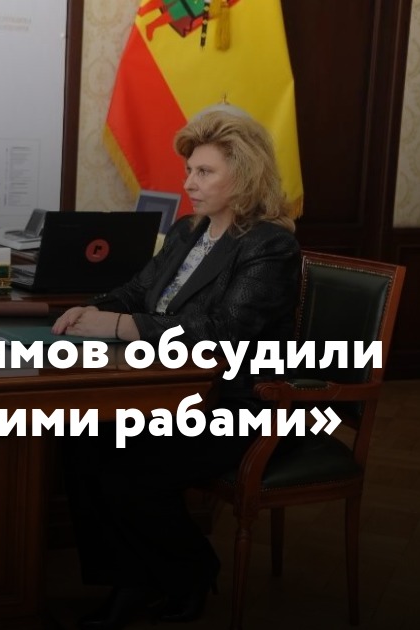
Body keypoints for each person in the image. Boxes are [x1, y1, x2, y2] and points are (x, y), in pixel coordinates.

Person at [51, 107, 301, 629]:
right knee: (78, 440)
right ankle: (130, 579)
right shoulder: (190, 230)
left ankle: (190, 569)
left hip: (236, 406)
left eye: (205, 172)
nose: (189, 183)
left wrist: (120, 326)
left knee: (126, 469)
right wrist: (89, 309)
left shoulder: (270, 245)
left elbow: (225, 333)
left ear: (244, 175)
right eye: (190, 171)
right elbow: (138, 291)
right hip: (168, 392)